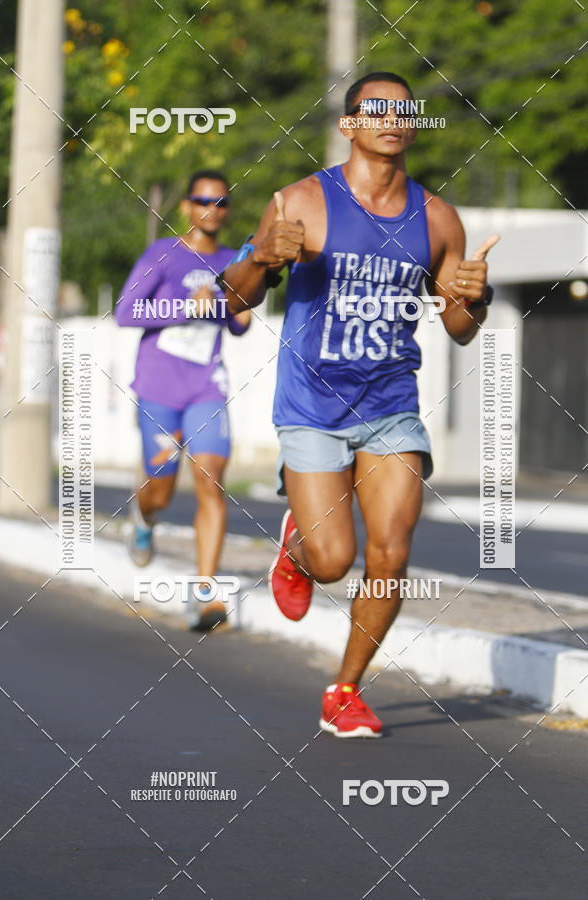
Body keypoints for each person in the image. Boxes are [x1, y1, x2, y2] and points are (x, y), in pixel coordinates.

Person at [220, 72, 499, 735]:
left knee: (392, 554)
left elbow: (458, 326)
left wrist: (473, 298)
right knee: (333, 560)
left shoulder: (437, 219)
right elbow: (235, 300)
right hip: (312, 404)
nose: (392, 118)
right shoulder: (300, 202)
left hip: (391, 403)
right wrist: (261, 259)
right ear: (348, 124)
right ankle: (297, 550)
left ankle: (345, 689)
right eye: (376, 109)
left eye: (404, 111)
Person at [115, 169, 251, 631]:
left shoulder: (235, 260)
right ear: (188, 207)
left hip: (206, 387)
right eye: (202, 200)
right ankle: (143, 514)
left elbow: (239, 324)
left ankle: (205, 596)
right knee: (162, 485)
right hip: (158, 388)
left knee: (211, 479)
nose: (212, 210)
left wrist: (240, 303)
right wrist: (181, 307)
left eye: (221, 202)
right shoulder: (164, 254)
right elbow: (125, 311)